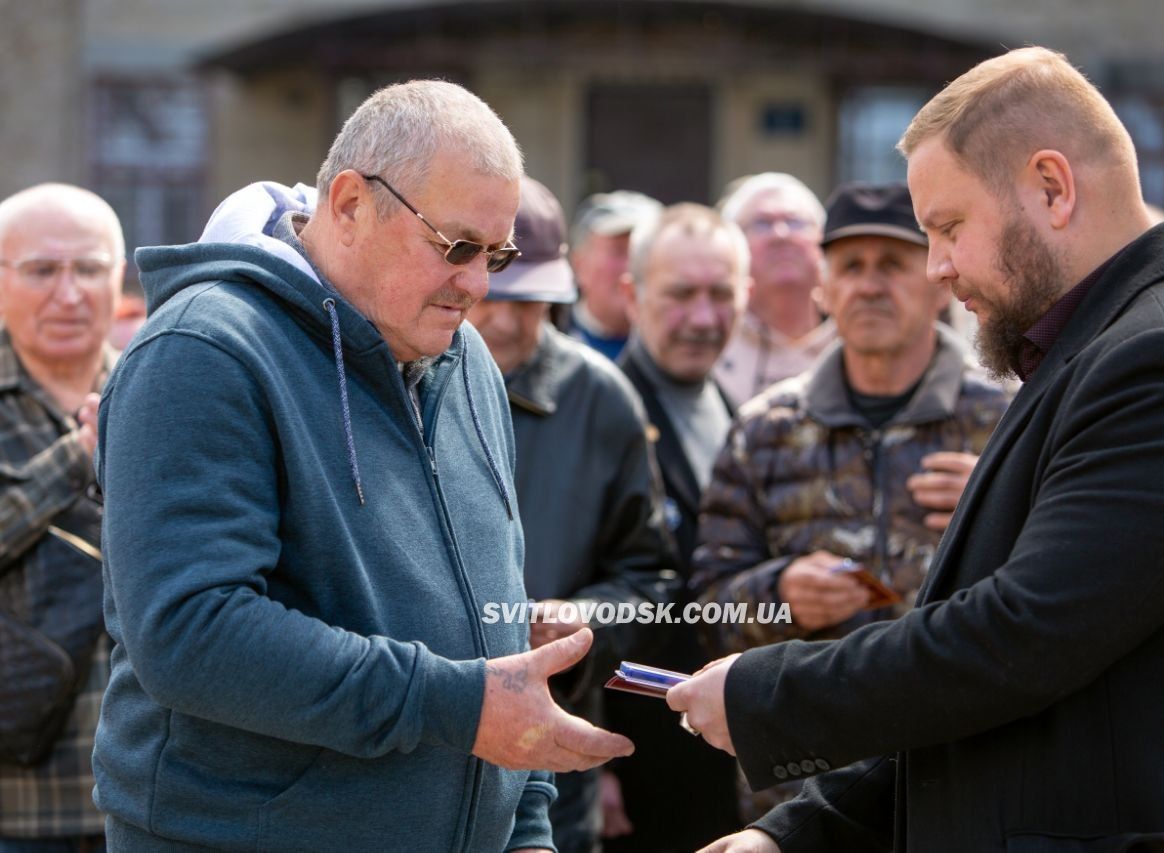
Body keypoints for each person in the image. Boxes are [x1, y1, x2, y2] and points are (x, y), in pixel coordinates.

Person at [672, 46, 1164, 852]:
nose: (939, 265)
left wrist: (767, 693)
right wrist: (796, 831)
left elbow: (1019, 640)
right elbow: (997, 691)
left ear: (1052, 188)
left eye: (949, 227)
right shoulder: (1098, 349)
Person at [92, 80, 632, 852]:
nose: (480, 285)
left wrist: (528, 827)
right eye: (457, 247)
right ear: (349, 204)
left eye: (497, 253)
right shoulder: (203, 351)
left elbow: (498, 620)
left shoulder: (465, 357)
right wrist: (458, 704)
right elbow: (189, 632)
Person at [690, 182, 1009, 818]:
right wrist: (778, 596)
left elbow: (1058, 595)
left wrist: (1000, 500)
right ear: (823, 289)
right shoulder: (766, 430)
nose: (869, 285)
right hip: (797, 795)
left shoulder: (1005, 423)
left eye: (892, 264)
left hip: (961, 783)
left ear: (938, 281)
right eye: (850, 267)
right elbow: (701, 615)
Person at [468, 176, 675, 853]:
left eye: (529, 300)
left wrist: (585, 624)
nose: (503, 319)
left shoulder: (603, 401)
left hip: (551, 757)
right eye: (491, 297)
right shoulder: (399, 383)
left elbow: (652, 578)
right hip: (416, 745)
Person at [602, 204, 750, 851]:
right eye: (680, 294)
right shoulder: (596, 413)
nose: (702, 317)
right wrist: (595, 762)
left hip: (727, 761)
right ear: (632, 295)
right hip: (632, 765)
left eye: (721, 294)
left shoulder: (741, 413)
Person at [0, 184, 122, 853]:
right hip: (20, 803)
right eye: (43, 270)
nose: (70, 293)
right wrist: (79, 456)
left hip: (149, 796)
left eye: (90, 268)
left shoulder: (167, 382)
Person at [713, 173, 837, 407]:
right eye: (762, 223)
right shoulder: (712, 343)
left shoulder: (852, 340)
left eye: (795, 222)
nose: (781, 234)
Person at [565, 191, 662, 361]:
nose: (632, 266)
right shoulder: (547, 342)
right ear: (579, 264)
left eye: (643, 253)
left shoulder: (679, 352)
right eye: (619, 251)